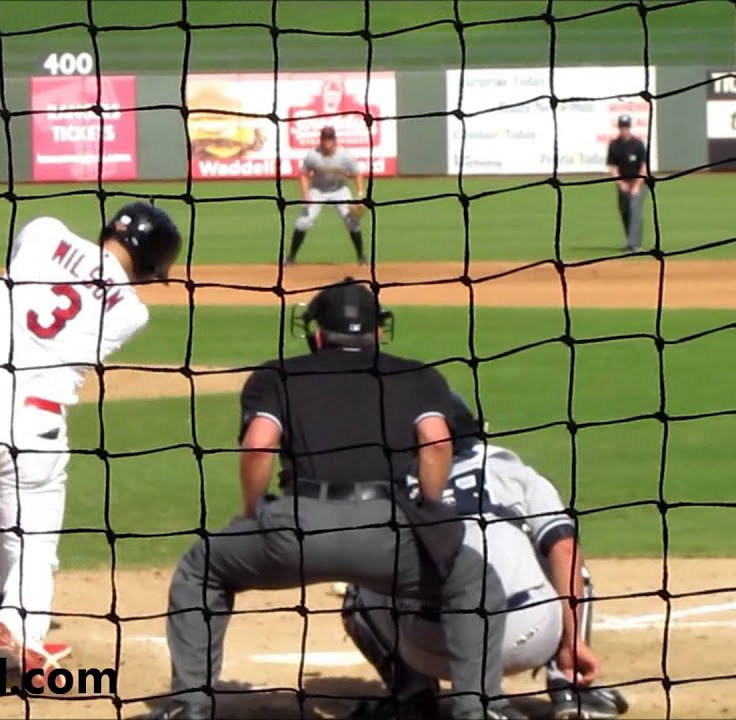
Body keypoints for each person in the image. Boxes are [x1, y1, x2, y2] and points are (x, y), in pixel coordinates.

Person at [147, 279, 514, 720]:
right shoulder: (416, 374)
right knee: (473, 581)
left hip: (295, 529)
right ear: (378, 332)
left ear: (316, 334)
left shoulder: (275, 375)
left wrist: (252, 512)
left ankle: (189, 706)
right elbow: (437, 444)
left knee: (201, 569)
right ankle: (476, 711)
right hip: (387, 532)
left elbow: (259, 446)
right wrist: (429, 509)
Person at [0, 203, 181, 680]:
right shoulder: (131, 313)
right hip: (32, 425)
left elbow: (37, 273)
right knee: (31, 543)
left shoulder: (44, 231)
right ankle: (18, 625)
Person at [340, 396, 630, 720]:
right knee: (562, 555)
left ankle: (413, 696)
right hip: (528, 637)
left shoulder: (394, 484)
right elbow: (564, 549)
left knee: (363, 579)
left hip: (431, 648)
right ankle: (571, 685)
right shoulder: (510, 470)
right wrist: (571, 641)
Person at [288, 126, 368, 266]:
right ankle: (291, 258)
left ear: (335, 140)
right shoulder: (313, 155)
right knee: (304, 221)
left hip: (340, 190)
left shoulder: (345, 156)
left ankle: (361, 257)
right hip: (317, 190)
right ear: (320, 140)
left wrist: (360, 193)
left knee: (352, 222)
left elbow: (357, 174)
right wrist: (305, 193)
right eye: (325, 139)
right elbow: (303, 174)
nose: (327, 142)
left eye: (330, 139)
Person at [605, 115, 649, 253]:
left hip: (639, 182)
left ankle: (634, 245)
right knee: (624, 211)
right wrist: (620, 183)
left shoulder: (638, 144)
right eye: (622, 127)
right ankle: (630, 241)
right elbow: (613, 167)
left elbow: (644, 166)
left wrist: (636, 185)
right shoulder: (614, 145)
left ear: (630, 127)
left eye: (626, 127)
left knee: (634, 210)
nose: (624, 129)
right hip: (623, 182)